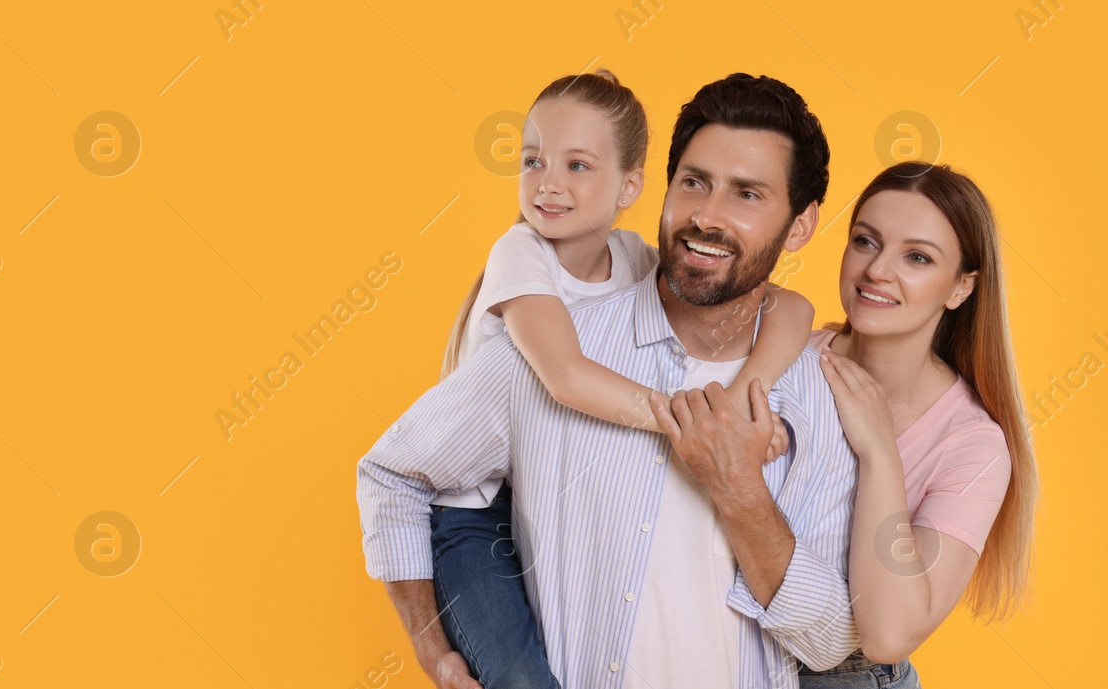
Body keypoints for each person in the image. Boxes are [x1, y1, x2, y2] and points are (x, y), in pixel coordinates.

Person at [358, 73, 857, 689]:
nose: (705, 216)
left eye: (747, 194)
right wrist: (434, 651)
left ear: (802, 226)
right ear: (665, 188)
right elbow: (394, 473)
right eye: (694, 183)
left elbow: (832, 641)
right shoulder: (541, 344)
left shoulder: (820, 396)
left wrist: (741, 491)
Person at [775, 162, 1035, 687]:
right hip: (726, 653)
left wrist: (879, 453)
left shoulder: (973, 446)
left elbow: (888, 635)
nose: (877, 271)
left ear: (961, 287)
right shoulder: (783, 355)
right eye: (866, 242)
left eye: (916, 257)